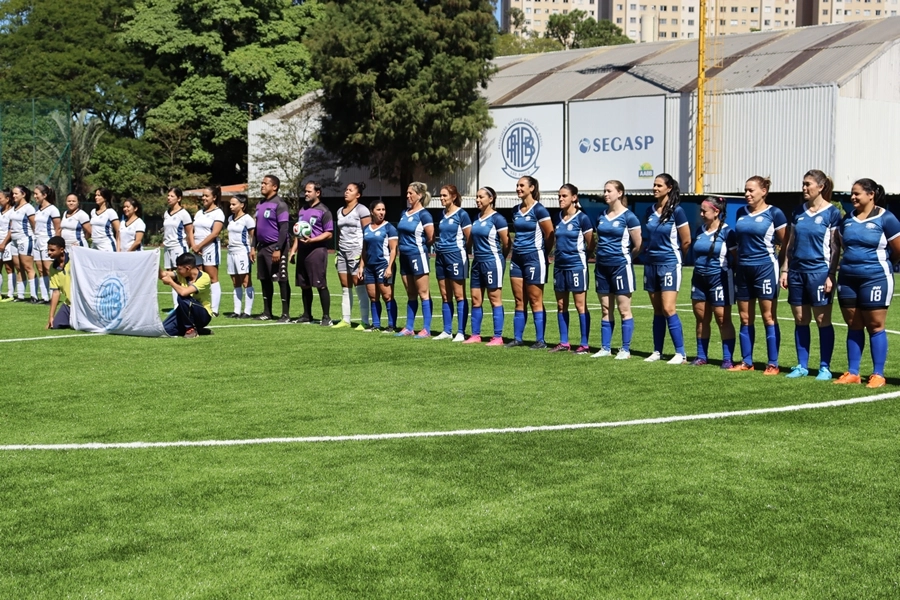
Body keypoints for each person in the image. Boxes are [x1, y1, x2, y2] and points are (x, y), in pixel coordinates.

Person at [834, 178, 900, 388]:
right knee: (853, 324)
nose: (852, 197)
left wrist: (883, 264)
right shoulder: (847, 219)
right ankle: (853, 372)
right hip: (847, 278)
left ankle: (878, 374)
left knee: (875, 325)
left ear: (871, 194)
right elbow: (842, 245)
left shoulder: (886, 218)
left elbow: (897, 249)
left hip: (876, 278)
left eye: (857, 193)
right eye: (851, 194)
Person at [779, 170, 842, 380]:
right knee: (800, 319)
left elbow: (835, 248)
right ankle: (802, 365)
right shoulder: (798, 211)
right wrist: (785, 269)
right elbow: (790, 244)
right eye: (803, 184)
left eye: (808, 184)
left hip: (819, 273)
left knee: (822, 319)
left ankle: (824, 367)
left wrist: (830, 274)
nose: (804, 188)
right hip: (797, 272)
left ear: (821, 186)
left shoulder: (832, 213)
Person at [729, 176, 787, 374]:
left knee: (768, 316)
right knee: (745, 318)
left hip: (765, 269)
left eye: (751, 190)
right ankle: (747, 361)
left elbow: (787, 243)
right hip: (743, 270)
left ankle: (773, 363)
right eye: (745, 190)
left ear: (764, 191)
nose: (747, 194)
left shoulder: (775, 213)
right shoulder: (740, 213)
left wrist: (784, 268)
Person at [642, 174, 691, 364]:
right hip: (651, 264)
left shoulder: (677, 211)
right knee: (657, 310)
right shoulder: (649, 210)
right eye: (654, 185)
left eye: (659, 185)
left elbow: (686, 240)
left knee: (669, 308)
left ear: (669, 188)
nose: (655, 188)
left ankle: (681, 353)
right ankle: (657, 351)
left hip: (670, 263)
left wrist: (678, 259)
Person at [592, 180, 642, 359]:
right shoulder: (601, 215)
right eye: (604, 190)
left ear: (619, 193)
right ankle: (605, 348)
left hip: (620, 267)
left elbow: (638, 245)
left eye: (609, 191)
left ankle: (625, 349)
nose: (605, 194)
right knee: (606, 309)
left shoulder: (629, 217)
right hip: (602, 268)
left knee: (623, 309)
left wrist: (626, 259)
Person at [690, 197, 738, 368]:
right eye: (701, 211)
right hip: (699, 279)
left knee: (722, 318)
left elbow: (735, 258)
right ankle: (701, 356)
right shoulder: (699, 231)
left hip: (719, 279)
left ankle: (727, 358)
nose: (701, 214)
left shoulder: (727, 232)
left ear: (716, 212)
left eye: (705, 211)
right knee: (701, 318)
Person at [507, 176, 553, 349]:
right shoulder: (515, 210)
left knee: (535, 299)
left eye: (522, 185)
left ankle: (540, 340)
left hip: (534, 258)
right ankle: (518, 338)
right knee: (519, 299)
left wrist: (542, 253)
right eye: (517, 185)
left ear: (532, 188)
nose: (518, 188)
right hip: (517, 259)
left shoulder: (539, 210)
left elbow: (550, 234)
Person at [463, 186, 510, 345]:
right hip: (477, 262)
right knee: (476, 299)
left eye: (481, 197)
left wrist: (499, 259)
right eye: (476, 197)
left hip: (492, 262)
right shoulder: (476, 218)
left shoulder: (498, 219)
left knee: (494, 299)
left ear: (491, 199)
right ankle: (475, 335)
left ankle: (498, 337)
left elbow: (506, 243)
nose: (477, 200)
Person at [550, 184, 593, 354]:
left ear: (574, 198)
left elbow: (591, 243)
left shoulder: (583, 218)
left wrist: (582, 256)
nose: (561, 199)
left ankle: (584, 344)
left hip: (576, 265)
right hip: (559, 266)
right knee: (561, 305)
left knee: (580, 305)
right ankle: (564, 342)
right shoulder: (557, 217)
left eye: (564, 196)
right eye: (559, 196)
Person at [289, 181, 334, 325]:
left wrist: (313, 240)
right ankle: (307, 315)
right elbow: (298, 233)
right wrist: (293, 251)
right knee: (304, 284)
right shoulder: (302, 210)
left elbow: (329, 233)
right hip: (302, 251)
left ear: (317, 193)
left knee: (320, 284)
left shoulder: (324, 211)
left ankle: (326, 317)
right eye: (305, 191)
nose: (306, 194)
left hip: (317, 251)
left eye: (309, 191)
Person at [395, 181, 434, 338]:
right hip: (404, 257)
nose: (408, 196)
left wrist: (419, 249)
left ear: (420, 195)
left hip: (417, 255)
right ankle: (409, 327)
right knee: (411, 293)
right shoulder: (405, 212)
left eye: (411, 193)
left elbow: (431, 237)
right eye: (407, 193)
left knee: (423, 293)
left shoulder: (424, 214)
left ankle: (426, 328)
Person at [433, 184, 471, 341]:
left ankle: (461, 332)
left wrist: (460, 251)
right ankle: (447, 330)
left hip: (455, 256)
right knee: (445, 294)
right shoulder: (442, 214)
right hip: (440, 257)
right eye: (440, 196)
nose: (442, 199)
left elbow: (469, 237)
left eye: (444, 196)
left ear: (453, 197)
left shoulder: (462, 214)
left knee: (459, 295)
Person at [253, 174, 291, 321]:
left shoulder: (280, 204)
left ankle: (285, 313)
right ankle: (267, 312)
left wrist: (278, 249)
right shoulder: (260, 204)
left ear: (274, 187)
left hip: (275, 247)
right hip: (262, 248)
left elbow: (283, 229)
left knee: (281, 279)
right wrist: (252, 246)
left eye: (265, 183)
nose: (262, 185)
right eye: (261, 183)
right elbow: (257, 228)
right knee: (264, 279)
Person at [357, 199, 399, 332]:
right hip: (369, 267)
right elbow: (364, 250)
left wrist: (389, 267)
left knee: (387, 296)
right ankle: (376, 325)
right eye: (378, 210)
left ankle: (391, 326)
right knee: (373, 297)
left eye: (383, 210)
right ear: (372, 212)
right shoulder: (366, 228)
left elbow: (393, 250)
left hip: (383, 265)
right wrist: (361, 266)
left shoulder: (389, 228)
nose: (381, 213)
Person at [333, 182, 371, 329]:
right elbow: (340, 234)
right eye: (346, 189)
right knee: (345, 286)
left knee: (359, 286)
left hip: (356, 251)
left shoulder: (362, 210)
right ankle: (346, 319)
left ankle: (364, 321)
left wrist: (363, 257)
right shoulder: (339, 211)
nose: (346, 192)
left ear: (358, 195)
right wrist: (337, 251)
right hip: (342, 252)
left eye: (350, 190)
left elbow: (367, 234)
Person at [160, 253, 213, 338]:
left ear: (188, 268)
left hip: (203, 314)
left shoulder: (204, 278)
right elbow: (163, 274)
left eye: (179, 269)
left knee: (182, 297)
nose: (178, 271)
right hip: (186, 311)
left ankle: (190, 329)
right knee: (165, 330)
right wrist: (154, 263)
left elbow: (183, 293)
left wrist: (171, 282)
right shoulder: (182, 274)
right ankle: (197, 329)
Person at [191, 186, 226, 316]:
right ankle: (200, 306)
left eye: (207, 196)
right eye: (203, 195)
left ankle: (214, 309)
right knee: (199, 277)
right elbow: (192, 231)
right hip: (197, 249)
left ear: (214, 197)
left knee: (212, 278)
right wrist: (194, 245)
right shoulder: (199, 213)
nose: (203, 198)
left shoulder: (218, 213)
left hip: (210, 248)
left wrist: (199, 246)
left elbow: (215, 233)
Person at [3, 186, 38, 302]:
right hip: (14, 241)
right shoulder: (14, 208)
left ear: (23, 194)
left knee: (28, 267)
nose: (14, 196)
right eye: (13, 194)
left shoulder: (29, 208)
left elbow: (34, 225)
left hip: (25, 239)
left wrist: (36, 238)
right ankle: (21, 295)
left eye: (16, 193)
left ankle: (34, 295)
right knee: (18, 268)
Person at [162, 187, 194, 309]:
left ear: (179, 198)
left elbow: (190, 231)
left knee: (182, 276)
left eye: (172, 196)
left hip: (178, 247)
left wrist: (192, 246)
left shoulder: (183, 214)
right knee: (171, 276)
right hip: (167, 248)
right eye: (168, 195)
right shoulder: (166, 213)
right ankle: (176, 306)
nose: (169, 198)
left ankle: (186, 304)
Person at [225, 194, 255, 318]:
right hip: (231, 252)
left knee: (245, 281)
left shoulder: (247, 219)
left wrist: (253, 249)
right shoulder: (230, 219)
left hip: (243, 252)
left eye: (234, 204)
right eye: (230, 204)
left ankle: (247, 311)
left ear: (242, 205)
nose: (231, 206)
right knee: (235, 281)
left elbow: (254, 236)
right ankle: (236, 310)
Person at [32, 184, 61, 303]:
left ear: (44, 195)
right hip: (37, 241)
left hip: (47, 241)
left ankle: (53, 294)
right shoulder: (37, 209)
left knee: (48, 269)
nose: (34, 196)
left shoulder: (52, 209)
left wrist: (55, 244)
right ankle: (44, 297)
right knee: (40, 269)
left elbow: (58, 228)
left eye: (36, 194)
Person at [45, 236, 71, 329]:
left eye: (52, 250)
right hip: (69, 303)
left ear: (61, 249)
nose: (49, 253)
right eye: (48, 250)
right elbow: (56, 292)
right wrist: (51, 317)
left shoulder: (74, 260)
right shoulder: (52, 268)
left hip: (82, 302)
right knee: (55, 325)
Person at [0, 189, 19, 301]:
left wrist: (4, 243)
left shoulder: (12, 212)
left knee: (9, 268)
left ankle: (10, 294)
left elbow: (11, 230)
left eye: (0, 198)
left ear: (7, 199)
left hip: (7, 243)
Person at [90, 187, 120, 252]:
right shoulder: (93, 212)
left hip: (106, 246)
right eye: (96, 195)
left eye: (99, 195)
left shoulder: (110, 212)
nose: (96, 197)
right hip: (94, 245)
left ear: (105, 198)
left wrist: (118, 248)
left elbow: (118, 231)